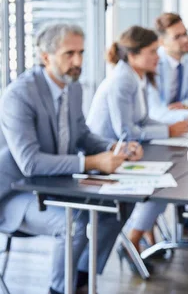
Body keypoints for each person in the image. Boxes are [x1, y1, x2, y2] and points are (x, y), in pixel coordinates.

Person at [0, 23, 143, 294]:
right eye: (69, 54)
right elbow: (29, 163)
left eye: (81, 52)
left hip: (56, 185)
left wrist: (115, 147)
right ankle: (59, 289)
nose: (78, 61)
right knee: (74, 223)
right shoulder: (19, 96)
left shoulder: (73, 88)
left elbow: (82, 136)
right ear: (45, 57)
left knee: (117, 205)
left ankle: (79, 278)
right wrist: (93, 162)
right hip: (14, 194)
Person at [87, 26, 188, 257]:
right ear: (133, 55)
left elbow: (143, 120)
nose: (158, 56)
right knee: (164, 183)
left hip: (128, 153)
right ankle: (133, 239)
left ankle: (143, 233)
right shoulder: (122, 80)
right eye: (152, 51)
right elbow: (126, 131)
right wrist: (168, 130)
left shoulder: (138, 76)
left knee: (168, 179)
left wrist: (171, 127)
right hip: (107, 158)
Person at [147, 12, 188, 125]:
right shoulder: (152, 63)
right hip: (159, 124)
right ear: (162, 42)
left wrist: (185, 106)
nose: (186, 40)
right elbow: (155, 111)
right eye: (177, 37)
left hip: (184, 123)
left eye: (185, 33)